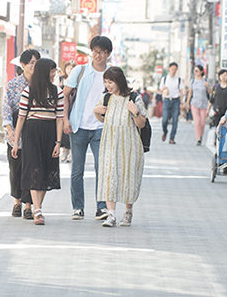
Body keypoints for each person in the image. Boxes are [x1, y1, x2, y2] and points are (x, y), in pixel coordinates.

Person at [63, 35, 113, 221]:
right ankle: (78, 207)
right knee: (77, 169)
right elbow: (66, 95)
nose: (97, 55)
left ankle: (101, 207)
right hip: (79, 126)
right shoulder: (80, 70)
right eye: (95, 51)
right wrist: (65, 120)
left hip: (102, 127)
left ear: (108, 54)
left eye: (101, 52)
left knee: (102, 168)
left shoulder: (113, 73)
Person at [93, 67, 147, 228]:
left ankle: (128, 211)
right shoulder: (106, 98)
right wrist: (96, 112)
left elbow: (141, 124)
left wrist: (135, 112)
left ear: (119, 81)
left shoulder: (134, 98)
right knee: (109, 178)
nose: (107, 85)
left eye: (111, 82)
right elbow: (103, 120)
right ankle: (111, 215)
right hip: (109, 144)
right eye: (105, 81)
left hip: (130, 146)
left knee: (128, 177)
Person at [12, 58, 63, 225]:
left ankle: (38, 207)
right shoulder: (28, 91)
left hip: (50, 132)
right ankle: (38, 210)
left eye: (54, 70)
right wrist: (16, 141)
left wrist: (58, 142)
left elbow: (59, 119)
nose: (54, 73)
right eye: (51, 70)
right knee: (34, 168)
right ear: (43, 72)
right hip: (32, 132)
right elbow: (21, 118)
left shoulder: (58, 92)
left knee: (46, 170)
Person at [2, 49, 39, 219]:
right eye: (30, 62)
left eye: (36, 62)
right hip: (15, 129)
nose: (34, 65)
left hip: (34, 130)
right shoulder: (12, 85)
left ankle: (29, 206)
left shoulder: (41, 85)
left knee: (31, 169)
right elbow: (6, 109)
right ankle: (17, 202)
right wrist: (10, 130)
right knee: (15, 168)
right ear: (23, 65)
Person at [159, 62, 186, 145]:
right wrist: (164, 88)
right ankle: (165, 131)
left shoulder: (178, 80)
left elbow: (181, 92)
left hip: (176, 101)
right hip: (167, 100)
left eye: (175, 69)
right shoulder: (164, 79)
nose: (173, 71)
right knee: (165, 119)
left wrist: (182, 102)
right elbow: (160, 90)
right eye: (172, 69)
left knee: (175, 120)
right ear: (169, 69)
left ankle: (172, 138)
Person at [57, 61, 76, 163]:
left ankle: (71, 153)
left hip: (72, 107)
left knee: (71, 129)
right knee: (62, 130)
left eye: (72, 68)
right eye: (68, 68)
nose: (70, 70)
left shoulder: (77, 80)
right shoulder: (61, 79)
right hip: (61, 107)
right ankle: (65, 151)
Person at [188, 65, 212, 146]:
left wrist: (207, 86)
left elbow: (210, 92)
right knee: (197, 122)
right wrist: (187, 103)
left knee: (202, 123)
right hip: (194, 104)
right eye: (194, 71)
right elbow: (190, 93)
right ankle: (198, 138)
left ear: (201, 72)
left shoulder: (205, 81)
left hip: (204, 104)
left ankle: (201, 136)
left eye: (197, 71)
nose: (195, 72)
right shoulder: (192, 81)